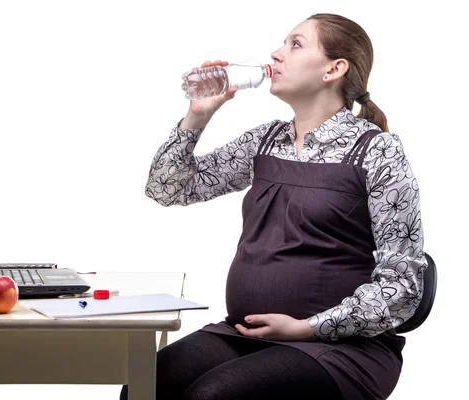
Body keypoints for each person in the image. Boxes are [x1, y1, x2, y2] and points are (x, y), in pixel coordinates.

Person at [121, 13, 427, 400]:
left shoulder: (378, 152)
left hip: (342, 347)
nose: (276, 54)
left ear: (334, 69)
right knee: (145, 387)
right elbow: (167, 188)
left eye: (295, 44)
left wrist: (306, 327)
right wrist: (197, 116)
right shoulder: (265, 141)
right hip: (246, 332)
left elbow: (403, 287)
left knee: (212, 396)